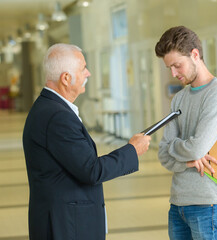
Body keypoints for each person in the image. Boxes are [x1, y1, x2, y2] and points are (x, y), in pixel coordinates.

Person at [22, 43, 151, 240]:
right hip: (66, 226)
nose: (88, 73)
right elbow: (92, 170)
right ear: (66, 78)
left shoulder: (48, 108)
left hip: (62, 221)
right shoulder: (57, 117)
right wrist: (132, 150)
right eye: (83, 68)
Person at [155, 26, 217, 239]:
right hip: (178, 203)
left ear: (195, 55)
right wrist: (187, 160)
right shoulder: (179, 99)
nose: (173, 74)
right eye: (169, 68)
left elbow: (197, 147)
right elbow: (163, 154)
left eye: (177, 65)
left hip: (208, 203)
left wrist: (181, 149)